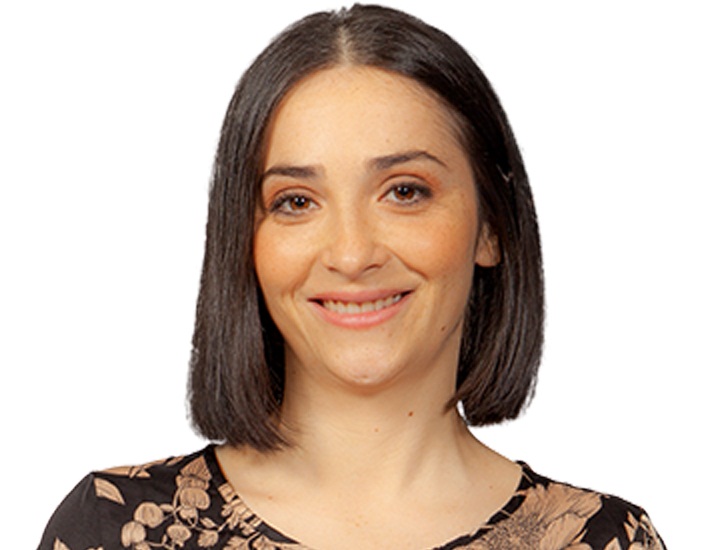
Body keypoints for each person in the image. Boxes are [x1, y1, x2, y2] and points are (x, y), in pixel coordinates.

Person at [38, 5, 664, 549]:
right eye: (296, 201)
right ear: (244, 241)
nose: (351, 253)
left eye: (404, 191)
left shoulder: (602, 540)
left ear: (491, 228)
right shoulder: (116, 530)